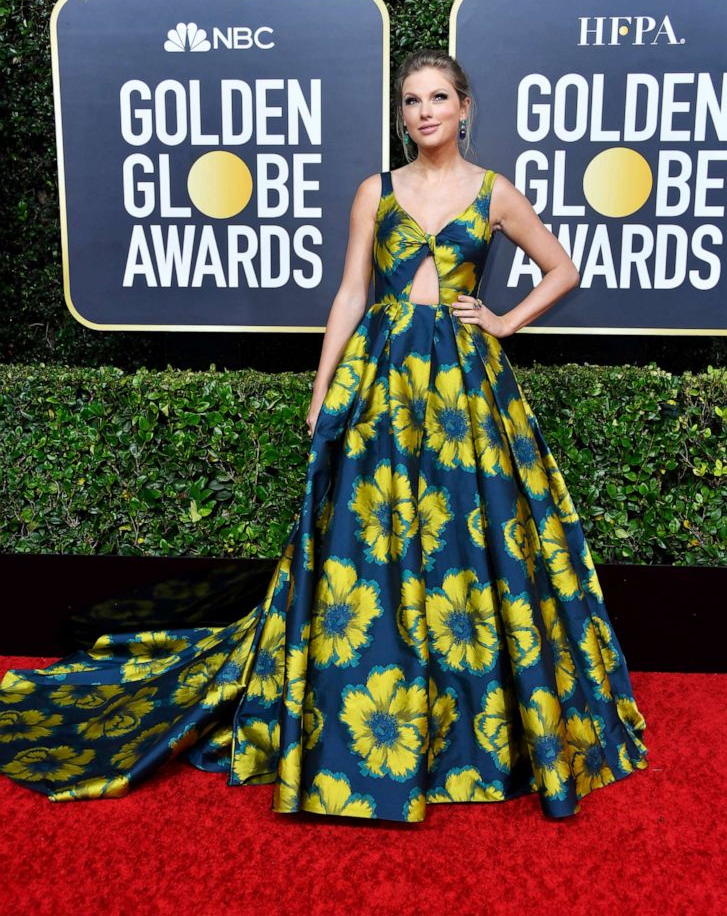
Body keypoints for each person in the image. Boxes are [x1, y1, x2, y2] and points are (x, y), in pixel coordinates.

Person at [0, 48, 648, 822]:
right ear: (401, 114)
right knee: (371, 538)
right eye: (410, 101)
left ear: (464, 107)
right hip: (379, 378)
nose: (423, 112)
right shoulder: (375, 192)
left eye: (437, 97)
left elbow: (561, 267)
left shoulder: (495, 193)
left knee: (469, 540)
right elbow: (349, 293)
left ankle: (467, 719)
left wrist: (504, 321)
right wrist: (321, 390)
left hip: (463, 389)